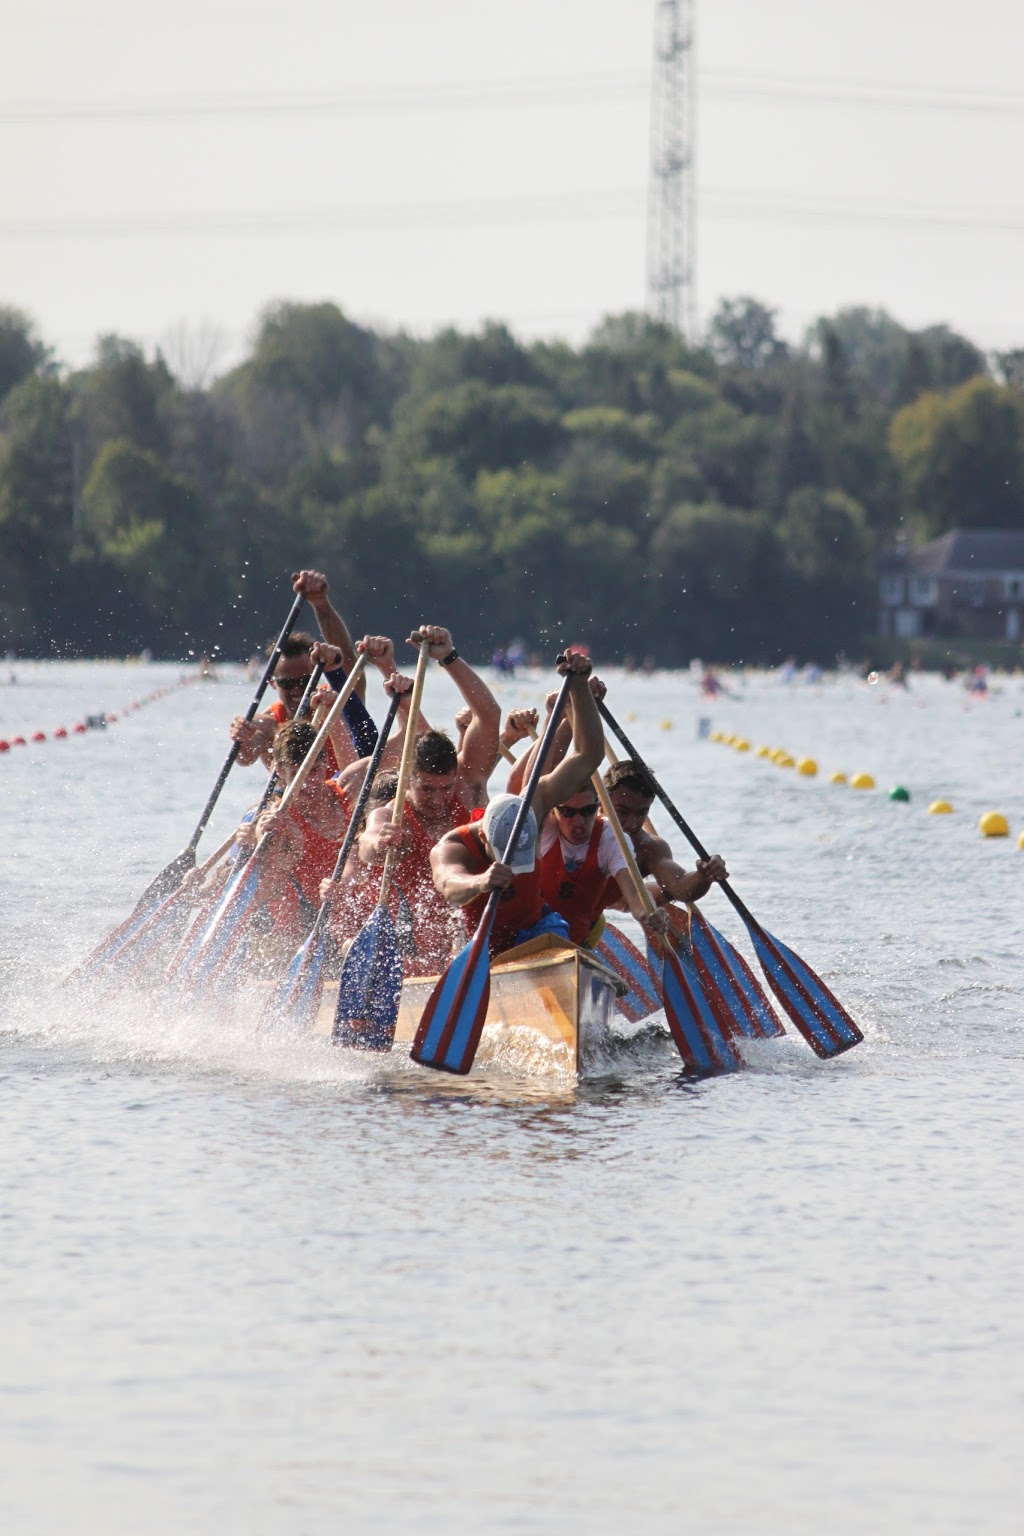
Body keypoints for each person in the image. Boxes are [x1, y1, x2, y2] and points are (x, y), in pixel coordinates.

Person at [343, 624, 502, 976]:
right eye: (426, 790)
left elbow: (489, 716)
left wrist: (448, 657)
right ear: (405, 781)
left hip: (473, 943)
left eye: (445, 788)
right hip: (410, 952)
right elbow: (368, 841)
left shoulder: (467, 787)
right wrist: (379, 843)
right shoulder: (391, 811)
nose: (438, 800)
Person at [429, 650, 605, 958]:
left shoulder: (531, 808)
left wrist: (578, 688)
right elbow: (447, 883)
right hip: (479, 943)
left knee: (553, 935)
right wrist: (480, 882)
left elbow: (588, 756)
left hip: (537, 930)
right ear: (484, 836)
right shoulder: (452, 846)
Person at [602, 758, 728, 908]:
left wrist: (703, 876)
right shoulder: (576, 826)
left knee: (664, 892)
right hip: (574, 905)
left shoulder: (649, 848)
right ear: (602, 803)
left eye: (641, 813)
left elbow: (681, 886)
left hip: (610, 903)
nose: (632, 824)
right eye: (622, 812)